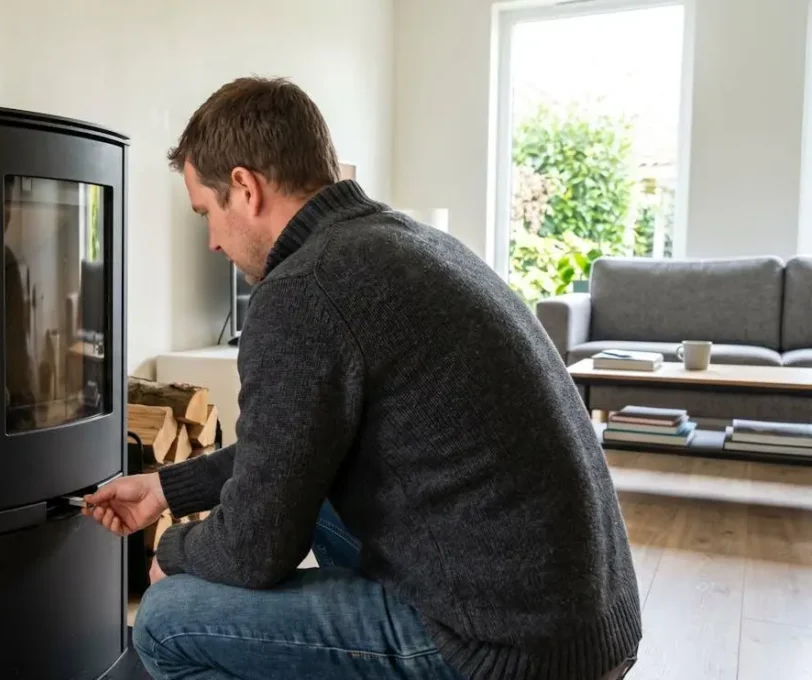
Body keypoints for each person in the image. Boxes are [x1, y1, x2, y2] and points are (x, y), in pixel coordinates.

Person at [82, 76, 640, 680]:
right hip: (584, 622)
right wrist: (167, 489)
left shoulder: (303, 290)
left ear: (244, 188)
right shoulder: (411, 244)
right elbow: (291, 453)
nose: (213, 242)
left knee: (168, 617)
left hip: (502, 651)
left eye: (206, 214)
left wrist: (173, 553)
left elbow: (254, 551)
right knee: (315, 493)